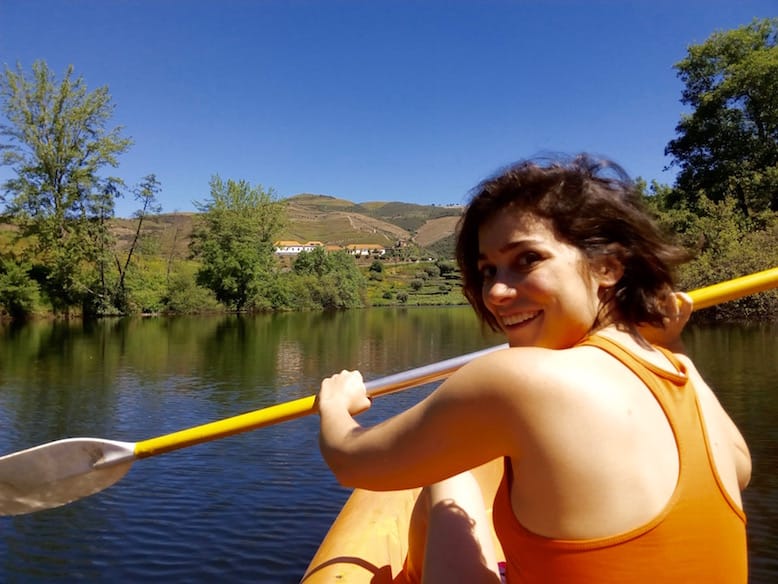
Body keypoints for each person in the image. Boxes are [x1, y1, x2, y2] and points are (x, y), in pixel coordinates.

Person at [316, 154, 750, 583]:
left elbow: (350, 463)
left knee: (446, 481)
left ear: (608, 267)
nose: (496, 292)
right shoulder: (681, 373)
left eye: (527, 260)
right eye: (488, 270)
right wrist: (669, 342)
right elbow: (740, 467)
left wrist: (336, 406)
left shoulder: (516, 379)